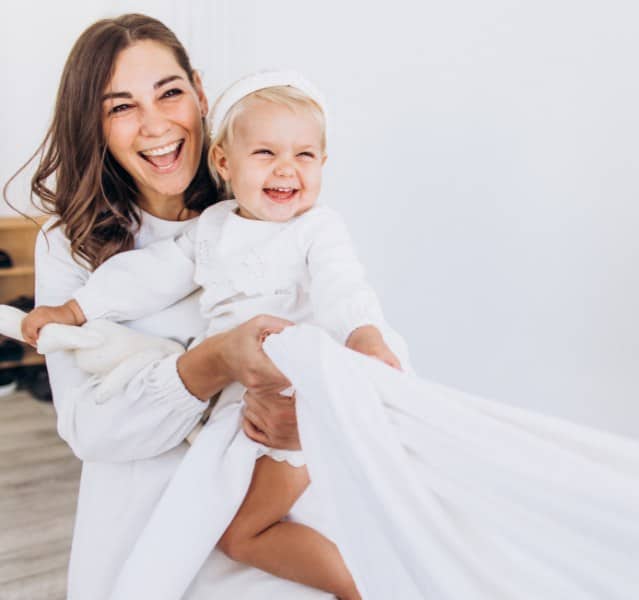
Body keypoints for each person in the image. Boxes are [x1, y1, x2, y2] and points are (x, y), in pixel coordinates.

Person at [21, 70, 402, 599]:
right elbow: (148, 276)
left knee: (244, 533)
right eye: (265, 153)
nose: (286, 169)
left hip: (294, 397)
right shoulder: (215, 227)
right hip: (239, 411)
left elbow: (344, 287)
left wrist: (362, 336)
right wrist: (77, 308)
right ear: (224, 162)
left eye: (304, 155)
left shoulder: (317, 229)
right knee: (219, 529)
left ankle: (367, 588)